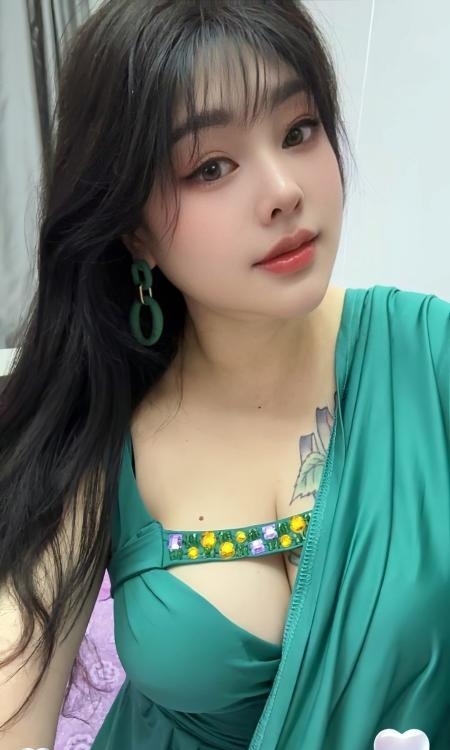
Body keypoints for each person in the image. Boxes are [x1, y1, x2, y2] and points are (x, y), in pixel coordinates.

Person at [0, 1, 448, 749]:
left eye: (298, 130)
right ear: (133, 228)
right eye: (210, 166)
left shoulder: (429, 356)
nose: (282, 190)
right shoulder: (97, 427)